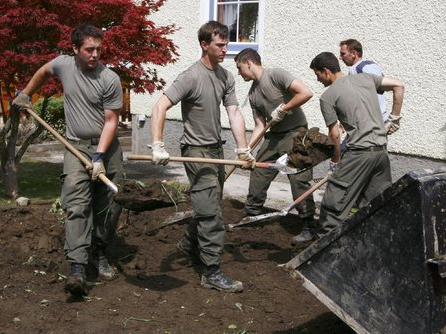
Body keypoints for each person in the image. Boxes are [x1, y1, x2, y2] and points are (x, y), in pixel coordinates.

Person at [13, 24, 124, 297]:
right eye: (89, 49)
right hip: (74, 148)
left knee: (109, 206)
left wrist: (99, 157)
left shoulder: (110, 78)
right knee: (76, 205)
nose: (95, 54)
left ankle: (98, 253)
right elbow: (43, 71)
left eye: (99, 48)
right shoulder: (63, 65)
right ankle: (77, 268)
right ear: (75, 49)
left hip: (107, 149)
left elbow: (111, 121)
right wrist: (26, 94)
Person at [150, 21, 255, 293]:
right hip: (196, 151)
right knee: (211, 215)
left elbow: (233, 113)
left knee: (208, 204)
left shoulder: (226, 77)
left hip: (216, 150)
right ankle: (211, 272)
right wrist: (158, 144)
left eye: (226, 44)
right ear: (204, 45)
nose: (225, 50)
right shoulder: (191, 76)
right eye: (220, 45)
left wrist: (243, 148)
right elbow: (160, 105)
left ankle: (188, 244)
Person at [309, 51, 404, 230]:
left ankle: (327, 251)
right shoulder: (367, 79)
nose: (318, 80)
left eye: (317, 74)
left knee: (333, 204)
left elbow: (335, 135)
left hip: (358, 154)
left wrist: (335, 162)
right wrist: (394, 117)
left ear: (326, 71)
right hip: (381, 153)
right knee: (377, 204)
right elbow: (399, 85)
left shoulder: (328, 97)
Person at [234, 48, 317, 246]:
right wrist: (247, 150)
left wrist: (284, 108)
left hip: (295, 132)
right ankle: (252, 214)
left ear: (249, 62)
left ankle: (308, 225)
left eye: (239, 68)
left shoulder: (275, 75)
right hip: (273, 136)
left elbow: (306, 93)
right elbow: (260, 126)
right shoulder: (253, 93)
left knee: (299, 178)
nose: (239, 73)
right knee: (258, 171)